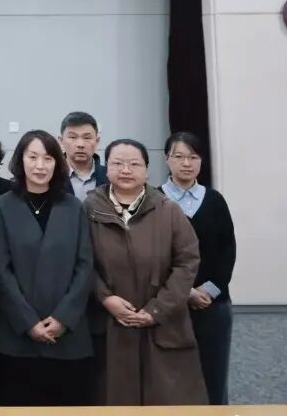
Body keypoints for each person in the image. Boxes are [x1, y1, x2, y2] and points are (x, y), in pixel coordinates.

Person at [85, 139, 208, 406]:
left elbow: (187, 263)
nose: (125, 170)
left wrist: (156, 309)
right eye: (117, 163)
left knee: (166, 402)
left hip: (163, 325)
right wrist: (106, 298)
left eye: (134, 164)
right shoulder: (89, 210)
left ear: (147, 170)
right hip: (109, 325)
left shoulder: (168, 210)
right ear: (106, 168)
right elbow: (81, 263)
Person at [0, 130, 94, 406]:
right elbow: (1, 269)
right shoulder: (2, 206)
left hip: (69, 337)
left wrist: (62, 319)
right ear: (20, 160)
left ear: (58, 163)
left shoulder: (74, 207)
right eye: (32, 157)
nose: (40, 165)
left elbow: (85, 266)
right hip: (17, 338)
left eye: (48, 158)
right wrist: (29, 322)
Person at [162, 132, 236, 405]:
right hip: (167, 304)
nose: (186, 163)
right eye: (179, 156)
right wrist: (184, 293)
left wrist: (208, 290)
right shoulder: (154, 199)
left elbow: (227, 250)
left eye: (193, 157)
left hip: (212, 304)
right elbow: (150, 256)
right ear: (167, 159)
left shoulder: (215, 200)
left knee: (213, 377)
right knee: (170, 378)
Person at [59, 111, 107, 201]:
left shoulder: (109, 176)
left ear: (97, 141)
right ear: (61, 141)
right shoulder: (51, 176)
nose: (80, 144)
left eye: (87, 138)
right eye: (73, 137)